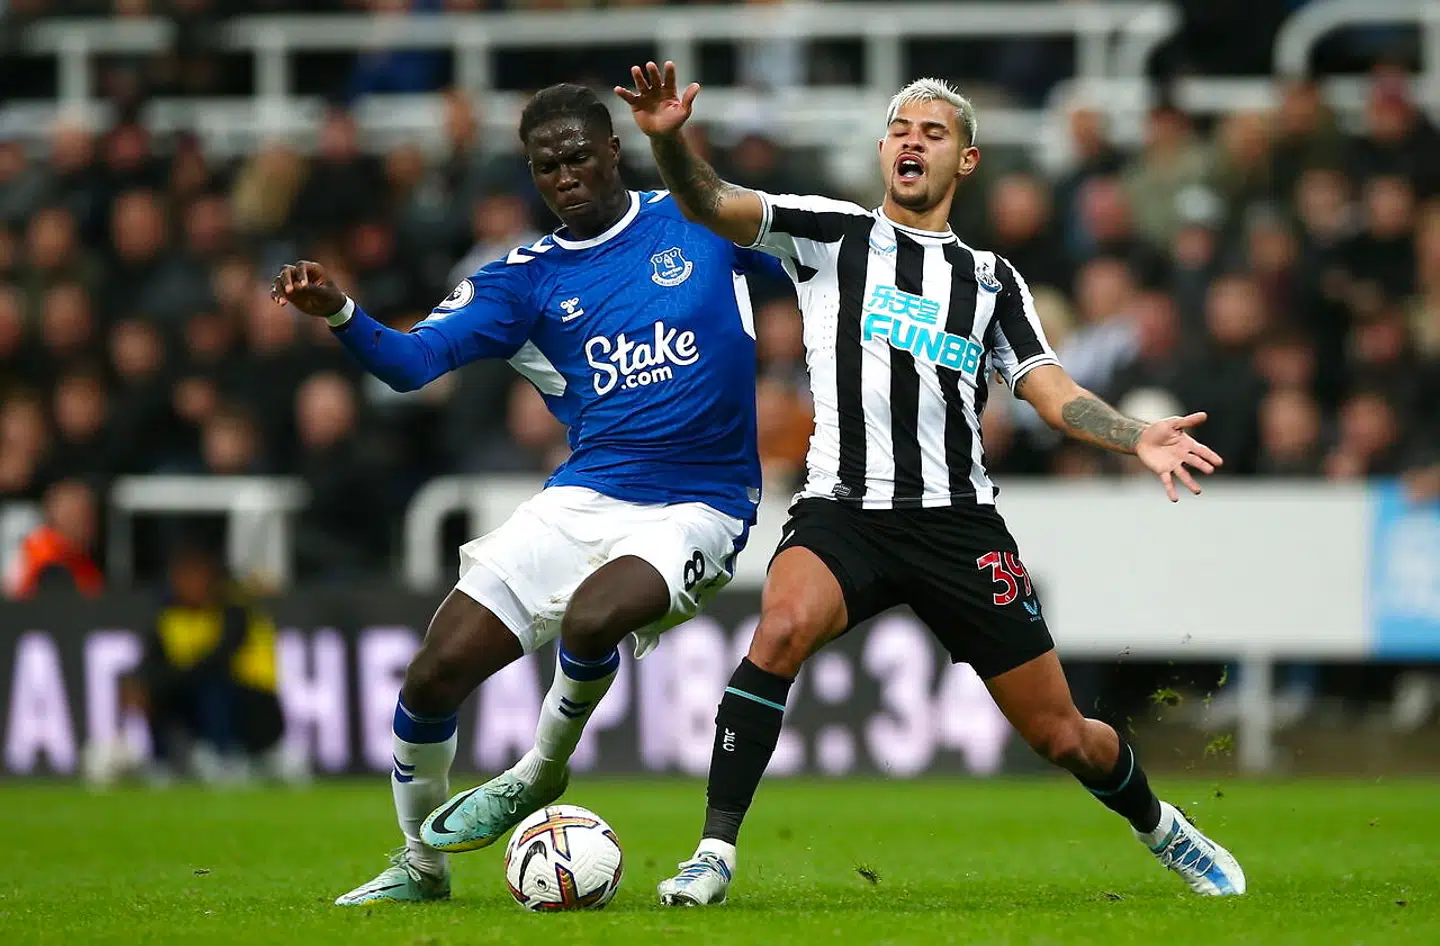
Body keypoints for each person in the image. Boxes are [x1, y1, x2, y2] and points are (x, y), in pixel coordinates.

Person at [617, 61, 1246, 905]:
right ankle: (714, 854)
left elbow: (1050, 391)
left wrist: (1135, 436)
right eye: (901, 130)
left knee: (1063, 736)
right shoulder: (830, 232)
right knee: (780, 629)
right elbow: (713, 203)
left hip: (959, 524)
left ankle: (1161, 828)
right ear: (883, 150)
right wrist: (667, 141)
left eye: (934, 132)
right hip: (844, 508)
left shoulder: (992, 282)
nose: (913, 141)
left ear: (966, 162)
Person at [271, 83, 782, 907]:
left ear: (614, 150)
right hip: (585, 495)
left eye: (579, 156)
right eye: (548, 167)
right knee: (431, 676)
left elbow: (819, 255)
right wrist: (341, 312)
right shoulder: (520, 281)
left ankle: (541, 767)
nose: (566, 175)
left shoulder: (697, 218)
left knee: (591, 616)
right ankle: (420, 864)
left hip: (701, 503)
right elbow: (409, 366)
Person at [124, 539, 289, 786]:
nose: (187, 584)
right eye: (181, 577)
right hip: (199, 701)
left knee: (211, 686)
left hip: (256, 708)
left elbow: (217, 661)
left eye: (194, 576)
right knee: (153, 689)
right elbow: (150, 662)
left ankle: (225, 757)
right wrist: (140, 685)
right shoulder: (169, 616)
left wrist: (163, 683)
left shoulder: (235, 611)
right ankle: (161, 761)